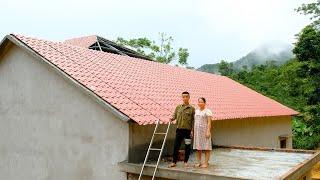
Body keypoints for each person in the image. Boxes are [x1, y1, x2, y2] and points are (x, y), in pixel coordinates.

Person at [168, 91, 195, 168]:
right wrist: (171, 118)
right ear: (182, 98)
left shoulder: (192, 109)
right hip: (179, 130)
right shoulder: (178, 107)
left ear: (189, 97)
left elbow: (193, 120)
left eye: (186, 96)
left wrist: (192, 131)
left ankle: (186, 162)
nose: (185, 98)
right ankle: (174, 162)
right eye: (183, 97)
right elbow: (174, 115)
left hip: (187, 131)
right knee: (176, 146)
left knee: (187, 146)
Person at [193, 97, 213, 168]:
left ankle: (206, 163)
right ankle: (199, 162)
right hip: (197, 132)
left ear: (205, 103)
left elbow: (209, 122)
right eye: (199, 102)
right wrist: (193, 131)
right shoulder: (196, 111)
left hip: (205, 131)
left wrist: (208, 131)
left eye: (201, 102)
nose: (200, 103)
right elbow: (194, 122)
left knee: (206, 147)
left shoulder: (208, 111)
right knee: (198, 148)